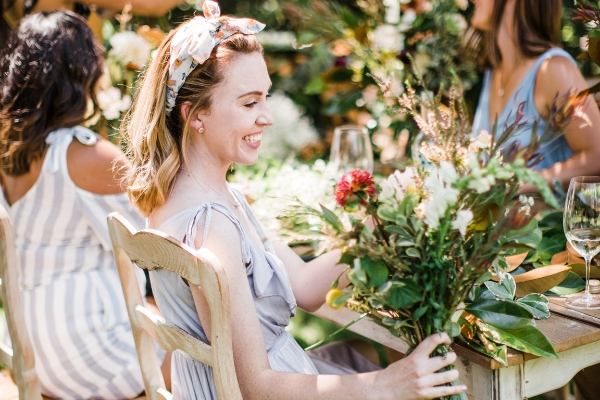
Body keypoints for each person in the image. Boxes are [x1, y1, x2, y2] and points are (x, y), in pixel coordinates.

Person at [123, 1, 467, 399]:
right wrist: (387, 385)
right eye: (249, 103)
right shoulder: (211, 225)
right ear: (194, 114)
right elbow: (256, 386)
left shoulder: (203, 196)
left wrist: (375, 221)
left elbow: (304, 287)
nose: (266, 116)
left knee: (355, 355)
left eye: (265, 97)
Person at [0, 11, 169, 398]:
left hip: (35, 347)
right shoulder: (87, 156)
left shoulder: (9, 151)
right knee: (214, 350)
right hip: (93, 351)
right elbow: (158, 242)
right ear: (82, 74)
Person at [469, 0, 600, 194]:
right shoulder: (493, 72)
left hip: (551, 222)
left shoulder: (553, 69)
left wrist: (518, 184)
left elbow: (596, 157)